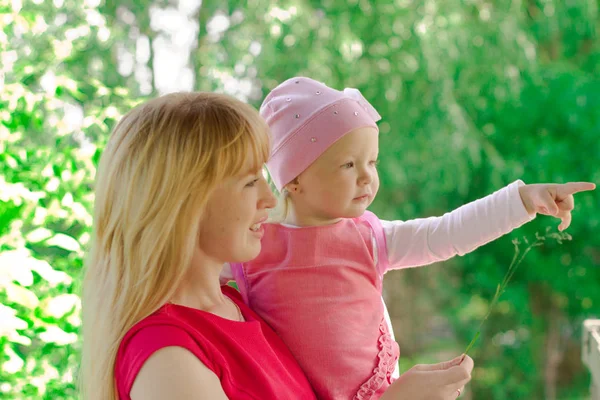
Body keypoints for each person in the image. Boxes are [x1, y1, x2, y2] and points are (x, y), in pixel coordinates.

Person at [79, 91, 475, 400]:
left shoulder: (238, 306)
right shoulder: (165, 357)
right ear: (184, 202)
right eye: (251, 181)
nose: (270, 201)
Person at [220, 77, 596, 400]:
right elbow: (185, 268)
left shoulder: (369, 238)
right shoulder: (252, 245)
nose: (367, 177)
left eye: (373, 162)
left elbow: (446, 232)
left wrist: (522, 200)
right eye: (349, 164)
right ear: (294, 179)